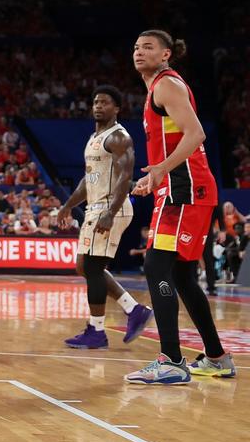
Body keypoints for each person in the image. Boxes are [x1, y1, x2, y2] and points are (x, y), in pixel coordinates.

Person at [124, 30, 234, 384]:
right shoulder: (157, 88)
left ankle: (171, 360)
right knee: (184, 277)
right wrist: (154, 176)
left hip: (186, 189)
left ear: (167, 54)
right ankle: (217, 357)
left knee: (157, 265)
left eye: (149, 47)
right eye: (137, 47)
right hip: (179, 187)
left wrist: (161, 171)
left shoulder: (166, 85)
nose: (140, 52)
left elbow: (196, 134)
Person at [56, 86, 153, 349]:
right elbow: (89, 180)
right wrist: (67, 205)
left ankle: (96, 331)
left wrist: (110, 212)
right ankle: (134, 310)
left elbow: (125, 177)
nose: (98, 106)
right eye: (96, 102)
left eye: (105, 102)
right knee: (83, 266)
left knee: (93, 268)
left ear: (117, 108)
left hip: (111, 208)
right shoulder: (94, 138)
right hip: (95, 208)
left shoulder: (119, 137)